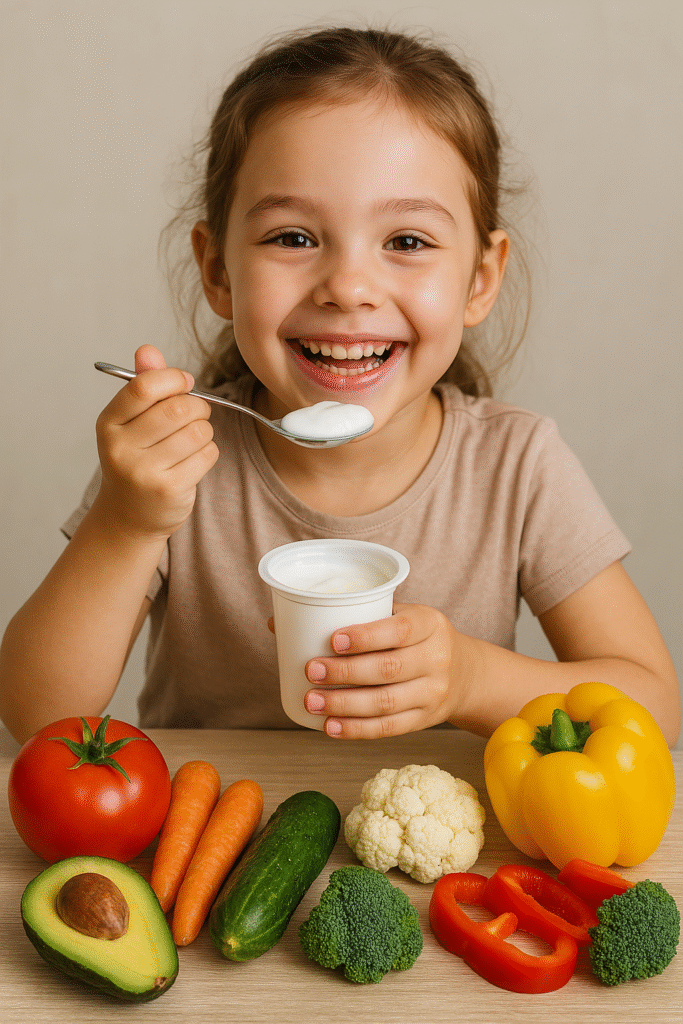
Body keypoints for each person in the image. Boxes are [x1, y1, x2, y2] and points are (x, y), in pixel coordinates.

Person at [0, 27, 679, 746]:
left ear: (479, 279)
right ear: (219, 272)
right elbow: (38, 718)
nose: (348, 288)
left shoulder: (517, 466)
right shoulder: (176, 469)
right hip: (213, 848)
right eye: (293, 237)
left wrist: (472, 680)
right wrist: (126, 522)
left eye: (406, 242)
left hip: (451, 857)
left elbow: (655, 710)